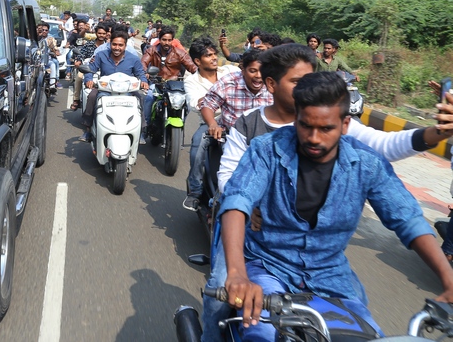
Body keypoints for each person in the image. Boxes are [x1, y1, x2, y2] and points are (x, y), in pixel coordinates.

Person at [200, 44, 453, 342]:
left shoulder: (366, 163)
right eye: (305, 126)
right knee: (254, 327)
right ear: (296, 118)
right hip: (268, 266)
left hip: (330, 276)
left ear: (346, 124)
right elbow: (236, 200)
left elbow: (407, 220)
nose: (314, 138)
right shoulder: (265, 148)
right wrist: (238, 274)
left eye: (326, 129)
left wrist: (448, 280)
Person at [181, 36, 239, 210]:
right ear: (198, 61)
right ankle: (195, 191)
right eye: (208, 55)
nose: (214, 58)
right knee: (197, 144)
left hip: (238, 120)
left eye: (215, 54)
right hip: (211, 121)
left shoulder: (229, 71)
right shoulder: (191, 80)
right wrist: (211, 109)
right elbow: (195, 102)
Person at [80, 30, 148, 142]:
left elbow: (140, 73)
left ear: (125, 46)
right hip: (105, 88)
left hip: (127, 89)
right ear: (110, 44)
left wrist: (144, 81)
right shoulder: (101, 55)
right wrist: (89, 80)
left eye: (120, 45)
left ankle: (141, 131)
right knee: (92, 96)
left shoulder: (134, 58)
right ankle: (88, 130)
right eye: (114, 44)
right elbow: (90, 69)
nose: (117, 48)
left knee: (139, 99)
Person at [200, 49, 272, 142]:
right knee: (198, 150)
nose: (258, 75)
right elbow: (208, 105)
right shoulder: (228, 82)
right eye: (253, 71)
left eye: (263, 71)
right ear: (243, 70)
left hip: (265, 141)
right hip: (230, 138)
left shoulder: (274, 85)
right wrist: (213, 124)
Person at [141, 26, 197, 143]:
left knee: (187, 103)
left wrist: (199, 74)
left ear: (173, 40)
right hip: (157, 83)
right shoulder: (152, 50)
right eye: (164, 40)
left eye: (169, 40)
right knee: (149, 98)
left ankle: (181, 125)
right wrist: (145, 72)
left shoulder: (180, 53)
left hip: (175, 85)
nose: (166, 42)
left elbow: (191, 66)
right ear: (160, 40)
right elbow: (143, 62)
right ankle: (145, 127)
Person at [70, 22, 109, 111]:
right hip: (89, 68)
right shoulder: (89, 44)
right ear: (96, 33)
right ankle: (76, 100)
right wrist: (79, 61)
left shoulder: (109, 46)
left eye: (103, 33)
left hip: (104, 70)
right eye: (99, 33)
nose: (101, 35)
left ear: (107, 34)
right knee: (79, 77)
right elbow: (81, 54)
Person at [37, 23, 61, 92]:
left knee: (53, 64)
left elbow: (54, 46)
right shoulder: (35, 38)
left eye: (46, 30)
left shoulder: (50, 39)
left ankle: (52, 84)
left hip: (46, 59)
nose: (44, 31)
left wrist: (56, 51)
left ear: (48, 31)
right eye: (42, 30)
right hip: (36, 60)